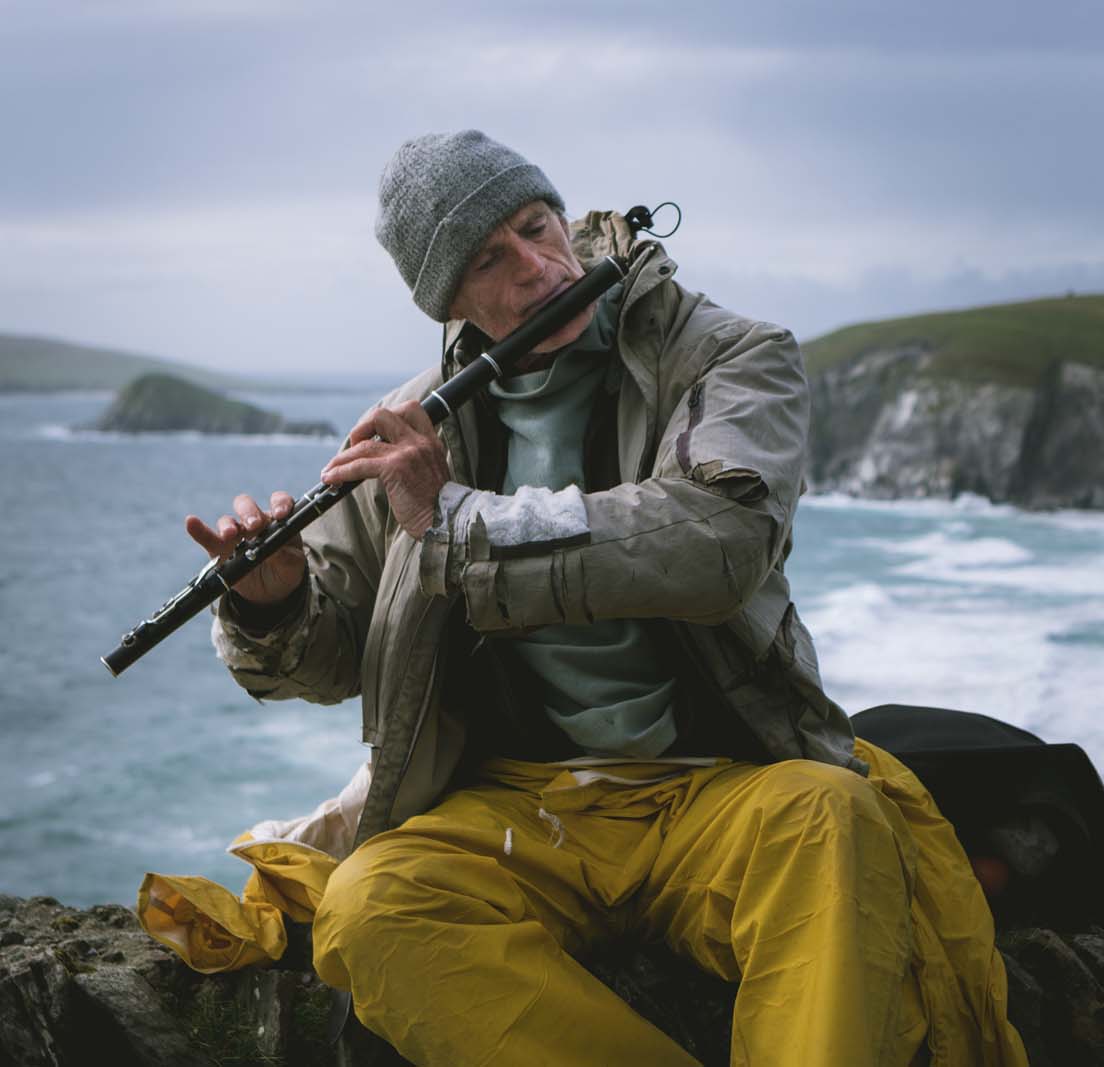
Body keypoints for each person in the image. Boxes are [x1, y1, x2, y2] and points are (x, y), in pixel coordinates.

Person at [186, 130, 1024, 1067]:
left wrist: (459, 520)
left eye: (538, 228)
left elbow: (716, 540)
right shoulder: (420, 422)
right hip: (514, 804)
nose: (538, 270)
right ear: (448, 301)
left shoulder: (728, 355)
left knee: (833, 819)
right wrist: (272, 600)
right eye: (491, 261)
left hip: (711, 780)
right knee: (370, 906)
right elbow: (337, 654)